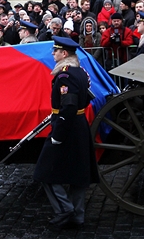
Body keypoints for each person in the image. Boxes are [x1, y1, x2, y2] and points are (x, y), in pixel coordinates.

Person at [33, 36, 98, 230]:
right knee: (78, 174)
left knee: (44, 172)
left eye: (55, 51)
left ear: (64, 53)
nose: (53, 53)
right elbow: (87, 98)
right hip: (79, 126)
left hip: (67, 128)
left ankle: (64, 209)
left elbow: (68, 106)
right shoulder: (80, 72)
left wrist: (57, 135)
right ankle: (78, 216)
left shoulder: (65, 75)